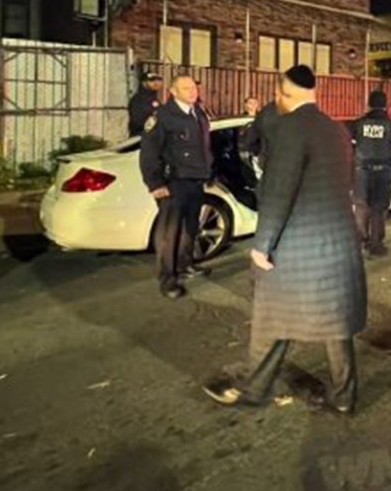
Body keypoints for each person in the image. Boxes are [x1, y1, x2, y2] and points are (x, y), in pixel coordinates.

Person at [203, 65, 367, 414]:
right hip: (337, 240)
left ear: (283, 92)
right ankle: (344, 396)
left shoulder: (292, 129)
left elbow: (279, 190)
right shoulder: (336, 129)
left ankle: (253, 387)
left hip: (298, 241)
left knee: (271, 313)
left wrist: (262, 245)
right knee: (335, 321)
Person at [139, 75, 213, 300]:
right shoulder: (163, 116)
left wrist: (209, 171)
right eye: (186, 88)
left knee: (191, 228)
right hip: (174, 183)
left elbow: (204, 147)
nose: (192, 91)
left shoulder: (198, 113)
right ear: (173, 91)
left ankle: (184, 264)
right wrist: (155, 183)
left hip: (195, 180)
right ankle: (167, 279)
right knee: (169, 234)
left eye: (193, 87)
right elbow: (149, 153)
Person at [350, 90, 391, 257]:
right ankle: (376, 245)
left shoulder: (358, 124)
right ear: (385, 106)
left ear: (369, 105)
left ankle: (361, 241)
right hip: (383, 172)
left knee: (361, 207)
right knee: (379, 209)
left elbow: (341, 140)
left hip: (361, 172)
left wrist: (352, 156)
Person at [127, 71, 164, 137]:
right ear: (144, 83)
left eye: (158, 80)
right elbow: (137, 122)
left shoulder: (155, 99)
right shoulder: (139, 100)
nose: (156, 83)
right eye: (151, 80)